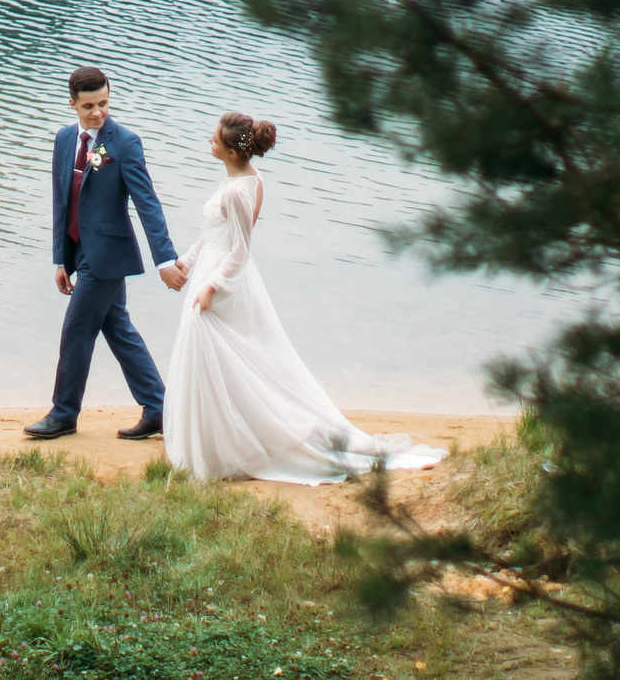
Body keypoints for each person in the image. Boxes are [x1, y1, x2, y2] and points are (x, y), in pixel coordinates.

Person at [161, 112, 447, 484]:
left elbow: (239, 250)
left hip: (223, 282)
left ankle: (228, 448)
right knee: (224, 362)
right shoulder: (244, 179)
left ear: (231, 151)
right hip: (211, 271)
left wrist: (211, 286)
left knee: (222, 361)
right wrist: (185, 262)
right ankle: (219, 442)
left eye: (214, 138)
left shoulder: (237, 190)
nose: (209, 141)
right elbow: (213, 235)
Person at [24, 66, 185, 441]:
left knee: (76, 330)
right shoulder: (64, 139)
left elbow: (148, 203)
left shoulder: (125, 142)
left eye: (104, 104)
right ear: (73, 104)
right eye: (89, 106)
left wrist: (164, 258)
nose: (98, 113)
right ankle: (158, 406)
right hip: (79, 253)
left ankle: (63, 414)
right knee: (118, 328)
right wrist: (61, 259)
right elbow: (60, 201)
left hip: (108, 255)